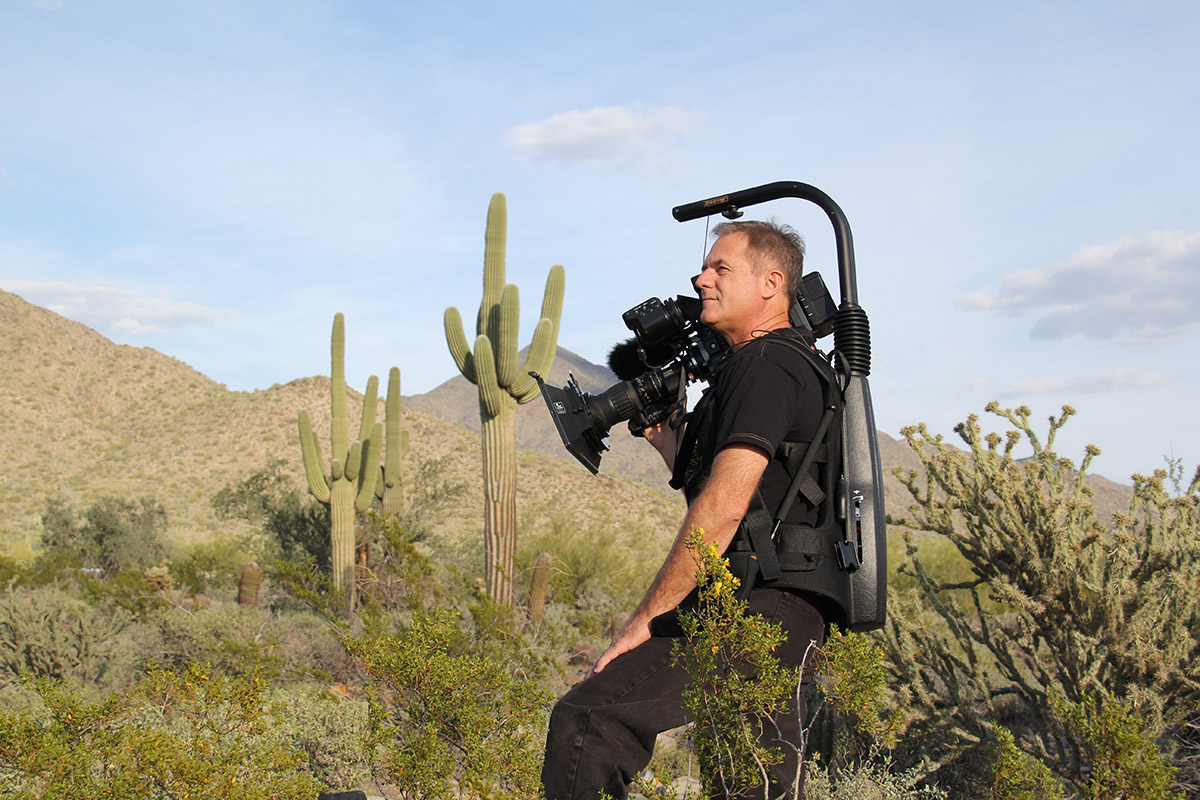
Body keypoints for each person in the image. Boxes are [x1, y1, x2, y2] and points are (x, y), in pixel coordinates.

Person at [542, 220, 830, 800]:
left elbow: (724, 509)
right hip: (783, 606)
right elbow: (755, 495)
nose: (701, 280)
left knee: (590, 723)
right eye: (704, 268)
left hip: (755, 603)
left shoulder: (766, 362)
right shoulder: (785, 363)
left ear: (771, 283)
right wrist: (671, 445)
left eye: (721, 268)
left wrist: (645, 621)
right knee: (749, 785)